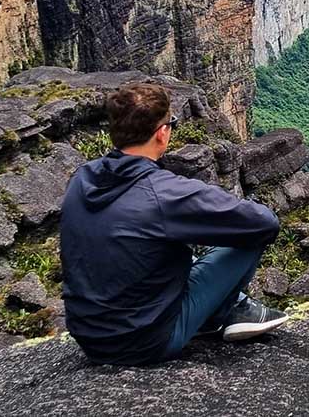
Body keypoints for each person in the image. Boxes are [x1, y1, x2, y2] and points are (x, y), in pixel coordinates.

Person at [59, 82, 288, 365]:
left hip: (88, 337)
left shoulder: (81, 179)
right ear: (162, 133)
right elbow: (264, 222)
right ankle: (220, 312)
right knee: (251, 237)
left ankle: (224, 308)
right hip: (146, 341)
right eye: (171, 123)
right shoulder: (163, 193)